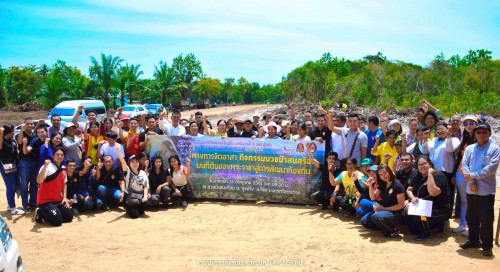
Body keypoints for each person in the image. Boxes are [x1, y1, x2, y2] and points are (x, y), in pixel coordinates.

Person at [460, 123, 499, 257]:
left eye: (484, 132)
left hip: (486, 191)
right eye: (478, 132)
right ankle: (473, 240)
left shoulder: (494, 149)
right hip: (471, 189)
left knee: (486, 219)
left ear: (489, 134)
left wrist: (473, 176)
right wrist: (471, 181)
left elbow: (491, 169)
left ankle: (487, 245)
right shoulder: (470, 148)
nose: (481, 134)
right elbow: (465, 164)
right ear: (475, 134)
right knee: (471, 217)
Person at [422, 121, 460, 220]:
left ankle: (446, 216)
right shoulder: (434, 140)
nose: (440, 132)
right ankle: (433, 216)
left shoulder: (455, 139)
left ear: (447, 129)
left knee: (446, 195)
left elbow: (449, 149)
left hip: (445, 171)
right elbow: (425, 151)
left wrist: (448, 136)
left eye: (442, 129)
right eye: (437, 130)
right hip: (432, 171)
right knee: (432, 193)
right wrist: (425, 139)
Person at [406, 155, 450, 241]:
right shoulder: (417, 176)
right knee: (406, 211)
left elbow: (433, 193)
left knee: (419, 211)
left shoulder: (438, 176)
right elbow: (409, 189)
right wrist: (413, 198)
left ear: (430, 164)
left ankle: (426, 231)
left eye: (424, 163)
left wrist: (430, 175)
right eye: (419, 165)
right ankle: (432, 226)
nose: (422, 166)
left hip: (439, 208)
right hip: (423, 204)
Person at [361, 164, 405, 238]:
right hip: (384, 211)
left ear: (389, 171)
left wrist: (384, 209)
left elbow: (401, 205)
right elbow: (373, 198)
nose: (384, 176)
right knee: (364, 221)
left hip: (397, 213)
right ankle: (385, 226)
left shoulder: (397, 186)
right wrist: (370, 185)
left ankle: (393, 231)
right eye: (381, 175)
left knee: (376, 217)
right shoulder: (382, 184)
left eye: (385, 173)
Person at [452, 115, 478, 236]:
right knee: (463, 200)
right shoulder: (465, 139)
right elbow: (459, 158)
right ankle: (463, 224)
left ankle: (472, 226)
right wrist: (454, 173)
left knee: (473, 201)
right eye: (466, 124)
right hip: (460, 172)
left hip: (472, 174)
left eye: (471, 123)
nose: (469, 126)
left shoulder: (480, 139)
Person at [35, 147, 73, 226]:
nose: (60, 156)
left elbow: (65, 183)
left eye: (62, 155)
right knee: (57, 221)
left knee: (69, 217)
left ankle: (52, 212)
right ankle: (40, 212)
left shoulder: (63, 169)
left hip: (58, 200)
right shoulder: (47, 167)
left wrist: (65, 197)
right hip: (45, 201)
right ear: (53, 156)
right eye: (57, 154)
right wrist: (45, 166)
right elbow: (39, 181)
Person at [307, 141, 341, 210]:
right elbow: (312, 160)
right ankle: (325, 203)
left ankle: (335, 204)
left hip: (333, 193)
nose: (331, 160)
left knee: (338, 198)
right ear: (326, 159)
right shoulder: (323, 167)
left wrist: (334, 195)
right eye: (330, 158)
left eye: (333, 159)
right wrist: (308, 149)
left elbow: (338, 185)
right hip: (324, 192)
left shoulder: (338, 171)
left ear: (336, 160)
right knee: (313, 196)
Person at [117, 149, 150, 218]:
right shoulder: (128, 172)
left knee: (148, 204)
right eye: (132, 162)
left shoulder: (142, 172)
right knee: (134, 215)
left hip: (139, 196)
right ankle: (129, 209)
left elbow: (146, 185)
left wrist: (145, 196)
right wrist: (119, 152)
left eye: (136, 162)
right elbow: (123, 162)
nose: (135, 164)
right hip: (130, 198)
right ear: (129, 163)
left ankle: (139, 208)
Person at [0, 124, 25, 215]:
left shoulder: (12, 140)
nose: (14, 132)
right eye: (12, 131)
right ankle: (13, 208)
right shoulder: (2, 140)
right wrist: (0, 133)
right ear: (8, 132)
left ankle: (10, 205)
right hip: (5, 166)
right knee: (11, 187)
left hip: (14, 165)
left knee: (15, 186)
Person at [16, 117, 36, 212]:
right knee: (24, 184)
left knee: (33, 184)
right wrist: (21, 129)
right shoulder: (20, 134)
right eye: (28, 124)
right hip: (24, 161)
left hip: (34, 162)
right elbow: (19, 142)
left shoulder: (34, 135)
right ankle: (25, 204)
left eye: (31, 124)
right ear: (24, 124)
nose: (30, 125)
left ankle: (33, 203)